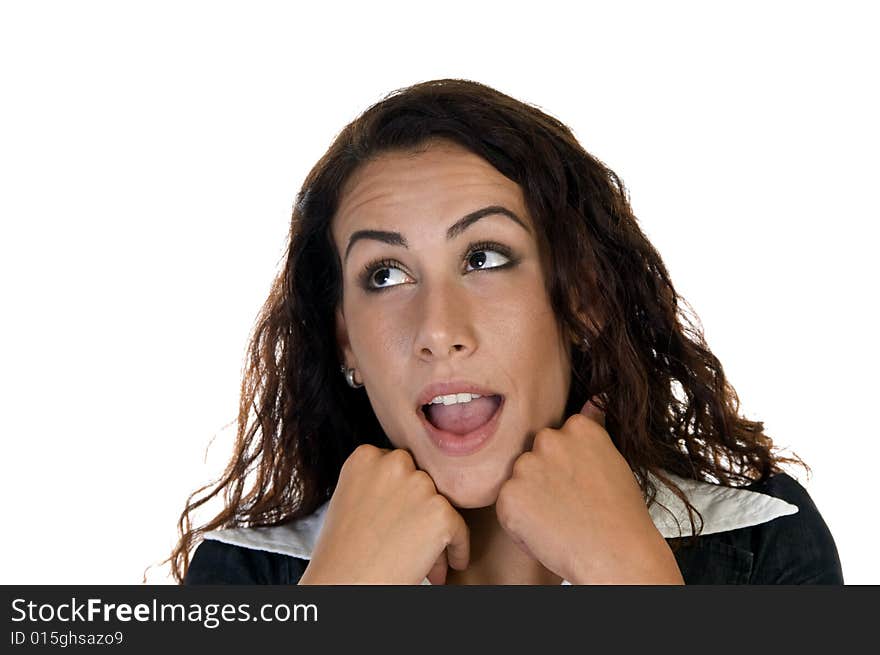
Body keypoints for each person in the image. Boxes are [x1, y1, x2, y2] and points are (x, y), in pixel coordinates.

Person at [169, 78, 843, 585]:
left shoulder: (762, 544)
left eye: (483, 257)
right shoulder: (245, 577)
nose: (438, 329)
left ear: (582, 297)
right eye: (385, 275)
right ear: (345, 339)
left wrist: (633, 577)